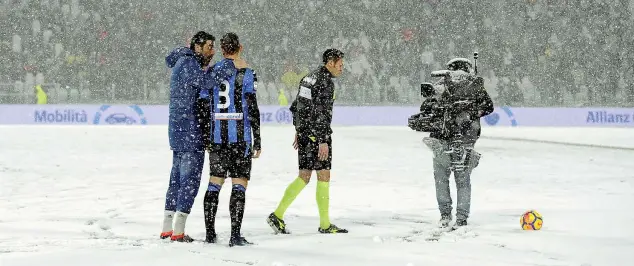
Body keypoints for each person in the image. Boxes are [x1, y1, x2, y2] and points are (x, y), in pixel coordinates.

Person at [161, 31, 235, 242]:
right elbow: (206, 82)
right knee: (189, 180)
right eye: (209, 47)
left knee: (176, 178)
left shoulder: (182, 61)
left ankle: (168, 226)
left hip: (178, 129)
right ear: (197, 46)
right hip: (190, 129)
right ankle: (179, 231)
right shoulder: (188, 63)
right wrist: (226, 66)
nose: (212, 52)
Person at [266, 48, 347, 234]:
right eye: (340, 64)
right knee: (323, 175)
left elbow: (297, 106)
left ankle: (277, 215)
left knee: (304, 176)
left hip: (305, 133)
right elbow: (321, 114)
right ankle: (325, 224)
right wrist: (323, 140)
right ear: (330, 63)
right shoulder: (325, 83)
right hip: (317, 136)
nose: (342, 68)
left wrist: (299, 129)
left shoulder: (308, 78)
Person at [201, 33, 261, 247]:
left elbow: (203, 104)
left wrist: (207, 134)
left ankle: (210, 234)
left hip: (218, 138)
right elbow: (253, 108)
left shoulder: (211, 71)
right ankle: (235, 235)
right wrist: (258, 139)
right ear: (240, 47)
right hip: (240, 139)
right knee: (239, 183)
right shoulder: (246, 73)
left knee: (214, 182)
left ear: (222, 49)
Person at [421, 57, 494, 228]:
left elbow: (426, 108)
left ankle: (445, 215)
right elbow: (489, 106)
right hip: (465, 140)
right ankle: (461, 217)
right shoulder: (474, 86)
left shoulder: (441, 85)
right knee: (462, 181)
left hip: (441, 140)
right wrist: (472, 113)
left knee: (441, 179)